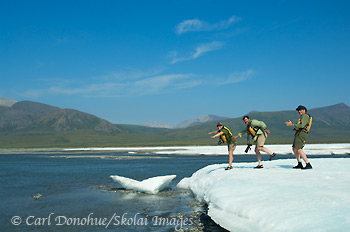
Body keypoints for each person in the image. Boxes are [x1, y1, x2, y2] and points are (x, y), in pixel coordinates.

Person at [285, 105, 313, 169]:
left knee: (299, 149)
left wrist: (292, 124)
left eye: (300, 110)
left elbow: (302, 125)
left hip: (302, 133)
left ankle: (308, 164)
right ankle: (299, 163)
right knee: (294, 148)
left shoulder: (305, 116)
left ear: (304, 110)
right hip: (299, 133)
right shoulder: (302, 116)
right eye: (298, 110)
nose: (299, 111)